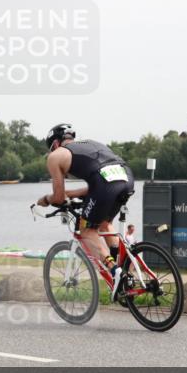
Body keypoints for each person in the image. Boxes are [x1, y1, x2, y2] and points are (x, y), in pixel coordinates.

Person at [37, 124, 135, 301]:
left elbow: (58, 198)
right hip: (126, 178)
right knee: (104, 224)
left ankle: (115, 271)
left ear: (55, 144)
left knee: (87, 230)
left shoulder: (55, 156)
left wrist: (45, 199)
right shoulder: (90, 143)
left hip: (105, 185)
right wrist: (71, 194)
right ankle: (126, 272)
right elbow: (97, 185)